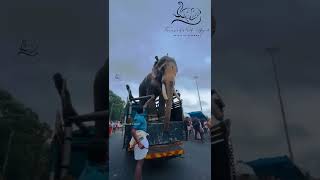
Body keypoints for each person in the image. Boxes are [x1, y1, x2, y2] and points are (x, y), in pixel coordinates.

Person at [130, 107, 149, 180]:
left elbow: (145, 105)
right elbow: (133, 131)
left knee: (140, 163)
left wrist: (151, 99)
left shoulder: (138, 116)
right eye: (144, 109)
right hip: (141, 140)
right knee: (139, 164)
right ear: (142, 111)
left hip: (141, 139)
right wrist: (139, 143)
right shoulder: (139, 118)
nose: (144, 109)